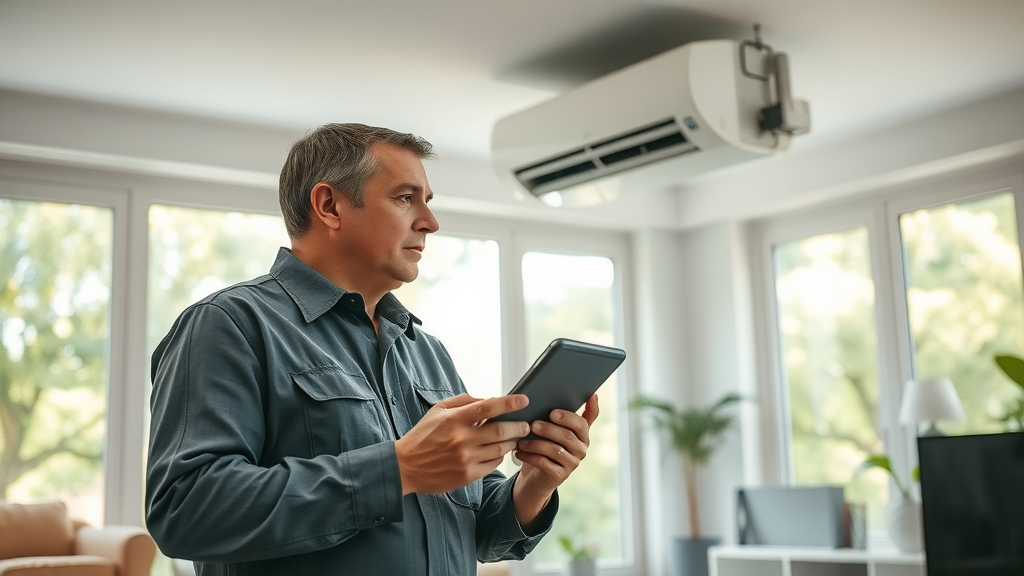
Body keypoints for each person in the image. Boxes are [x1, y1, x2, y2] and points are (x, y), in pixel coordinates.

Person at [145, 123, 600, 575]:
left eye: (427, 201)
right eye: (405, 198)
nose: (430, 222)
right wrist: (398, 469)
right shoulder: (229, 325)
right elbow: (184, 511)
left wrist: (534, 483)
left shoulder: (427, 351)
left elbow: (478, 531)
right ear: (330, 206)